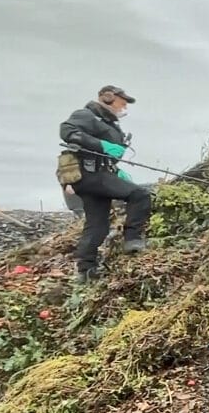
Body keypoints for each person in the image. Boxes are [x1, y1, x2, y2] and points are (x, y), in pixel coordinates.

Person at [59, 85, 152, 282]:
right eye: (122, 101)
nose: (124, 106)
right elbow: (67, 131)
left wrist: (115, 170)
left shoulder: (108, 122)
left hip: (95, 176)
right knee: (140, 195)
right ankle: (132, 240)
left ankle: (86, 271)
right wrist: (101, 145)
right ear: (107, 97)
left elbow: (106, 155)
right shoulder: (86, 115)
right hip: (90, 175)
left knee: (97, 225)